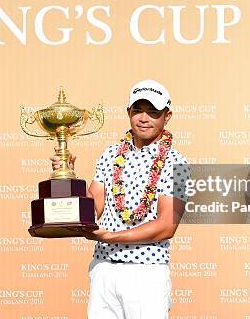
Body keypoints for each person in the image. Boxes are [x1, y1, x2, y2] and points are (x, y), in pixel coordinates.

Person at [51, 79, 189, 319]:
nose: (144, 118)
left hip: (146, 272)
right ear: (128, 112)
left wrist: (112, 237)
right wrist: (69, 177)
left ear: (167, 116)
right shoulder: (110, 154)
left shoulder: (178, 163)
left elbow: (167, 226)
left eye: (153, 112)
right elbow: (93, 205)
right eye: (137, 110)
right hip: (104, 269)